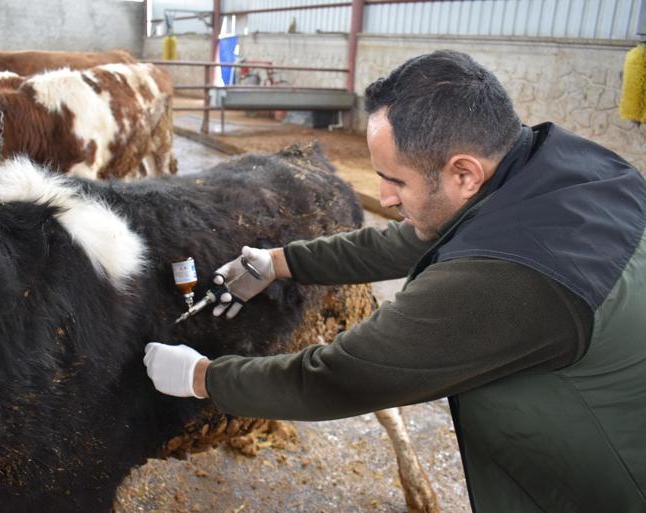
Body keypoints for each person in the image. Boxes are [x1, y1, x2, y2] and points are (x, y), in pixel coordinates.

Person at [144, 50, 646, 512]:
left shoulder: (503, 281)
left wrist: (202, 377)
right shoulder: (569, 169)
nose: (383, 198)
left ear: (464, 174)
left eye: (396, 181)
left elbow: (342, 377)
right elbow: (406, 242)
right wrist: (279, 262)